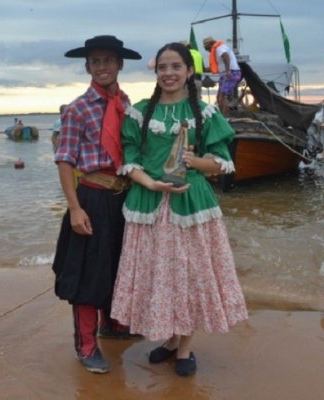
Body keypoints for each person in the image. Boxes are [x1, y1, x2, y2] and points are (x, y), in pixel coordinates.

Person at [110, 42, 248, 377]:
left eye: (176, 67)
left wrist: (193, 161)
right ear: (156, 73)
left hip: (191, 205)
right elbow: (129, 160)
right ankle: (171, 340)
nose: (169, 73)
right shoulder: (140, 112)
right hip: (150, 203)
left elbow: (222, 163)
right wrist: (152, 184)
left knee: (189, 276)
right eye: (163, 67)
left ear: (189, 71)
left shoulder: (205, 113)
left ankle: (185, 347)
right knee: (161, 276)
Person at [52, 35, 142, 374]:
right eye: (96, 61)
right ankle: (86, 345)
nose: (102, 67)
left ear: (120, 64)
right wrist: (75, 208)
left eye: (109, 60)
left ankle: (113, 325)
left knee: (118, 265)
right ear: (88, 67)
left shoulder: (126, 104)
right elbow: (64, 160)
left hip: (123, 198)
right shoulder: (77, 109)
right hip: (91, 196)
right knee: (89, 274)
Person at [202, 36, 242, 116]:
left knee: (222, 97)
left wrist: (228, 70)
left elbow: (226, 56)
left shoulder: (219, 48)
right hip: (224, 74)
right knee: (219, 97)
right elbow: (218, 66)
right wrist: (204, 69)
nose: (208, 51)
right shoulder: (217, 49)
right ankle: (225, 115)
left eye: (207, 49)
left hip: (231, 73)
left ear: (209, 45)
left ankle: (223, 118)